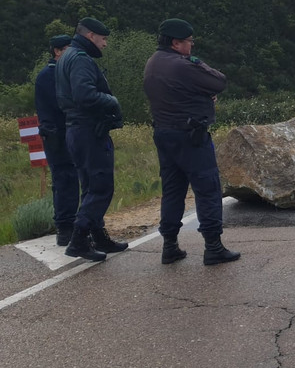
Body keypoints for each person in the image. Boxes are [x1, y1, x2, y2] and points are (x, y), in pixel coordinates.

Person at [142, 18, 240, 265]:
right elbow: (219, 81)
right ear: (176, 43)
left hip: (164, 134)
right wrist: (198, 65)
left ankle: (170, 245)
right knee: (207, 189)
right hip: (190, 135)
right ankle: (213, 247)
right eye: (189, 42)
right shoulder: (182, 65)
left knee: (173, 191)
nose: (192, 46)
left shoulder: (152, 63)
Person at [55, 17, 128, 262]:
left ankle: (98, 236)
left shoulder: (67, 56)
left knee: (90, 186)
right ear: (91, 36)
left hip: (77, 130)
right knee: (101, 186)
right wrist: (113, 101)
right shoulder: (80, 60)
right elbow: (85, 95)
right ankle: (79, 240)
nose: (105, 44)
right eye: (103, 38)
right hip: (89, 131)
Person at [34, 34, 79, 246]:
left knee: (70, 179)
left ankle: (71, 224)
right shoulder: (48, 75)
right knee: (64, 180)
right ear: (57, 51)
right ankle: (64, 227)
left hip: (63, 133)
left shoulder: (58, 72)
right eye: (68, 49)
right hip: (56, 136)